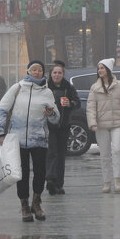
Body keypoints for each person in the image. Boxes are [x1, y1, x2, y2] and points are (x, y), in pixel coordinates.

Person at [0, 60, 59, 221]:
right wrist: (1, 133)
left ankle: (36, 202)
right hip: (17, 140)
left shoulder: (47, 92)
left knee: (40, 172)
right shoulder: (17, 88)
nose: (37, 72)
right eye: (34, 69)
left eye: (40, 70)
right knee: (22, 174)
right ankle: (24, 205)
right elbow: (2, 109)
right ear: (28, 71)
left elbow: (55, 118)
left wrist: (51, 113)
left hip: (39, 139)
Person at [85, 58, 120, 194]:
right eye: (99, 68)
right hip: (101, 125)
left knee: (117, 150)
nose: (100, 70)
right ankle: (106, 182)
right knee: (105, 154)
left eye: (102, 68)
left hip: (117, 123)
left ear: (108, 70)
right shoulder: (95, 88)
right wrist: (92, 123)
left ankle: (117, 179)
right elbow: (90, 108)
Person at [46, 60, 80, 195]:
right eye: (55, 72)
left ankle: (59, 184)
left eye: (59, 73)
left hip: (64, 125)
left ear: (63, 74)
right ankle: (50, 179)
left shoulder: (68, 88)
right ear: (51, 74)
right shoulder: (45, 87)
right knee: (51, 152)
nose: (57, 75)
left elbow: (77, 102)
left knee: (61, 155)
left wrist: (70, 103)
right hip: (48, 125)